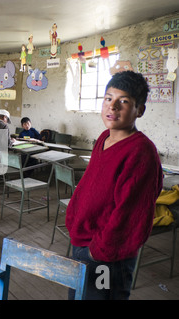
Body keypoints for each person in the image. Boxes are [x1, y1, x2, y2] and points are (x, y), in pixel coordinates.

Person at [65, 71, 163, 300]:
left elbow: (130, 214)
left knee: (100, 297)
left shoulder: (141, 152)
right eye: (108, 99)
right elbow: (90, 185)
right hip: (82, 240)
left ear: (140, 110)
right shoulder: (103, 138)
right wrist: (73, 220)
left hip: (107, 255)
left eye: (124, 101)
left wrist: (98, 251)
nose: (113, 107)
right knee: (79, 296)